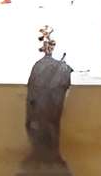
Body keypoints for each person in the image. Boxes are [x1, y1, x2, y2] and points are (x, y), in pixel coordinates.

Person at [25, 25, 74, 164]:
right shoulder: (38, 66)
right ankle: (38, 153)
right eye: (47, 46)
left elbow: (64, 86)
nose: (49, 49)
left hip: (50, 106)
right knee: (38, 124)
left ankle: (52, 154)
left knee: (51, 125)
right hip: (39, 105)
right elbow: (32, 89)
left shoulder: (60, 66)